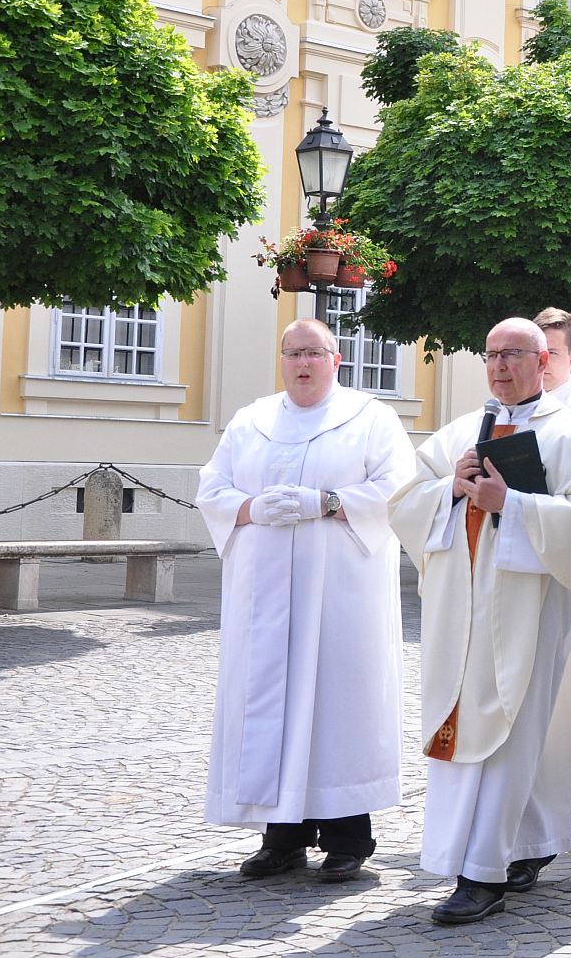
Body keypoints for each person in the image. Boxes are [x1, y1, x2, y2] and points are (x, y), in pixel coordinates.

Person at [390, 318, 571, 925]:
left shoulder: (569, 436)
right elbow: (405, 505)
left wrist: (511, 505)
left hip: (531, 609)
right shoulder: (456, 435)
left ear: (543, 359)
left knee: (515, 731)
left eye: (514, 355)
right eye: (492, 356)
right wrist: (451, 488)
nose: (499, 367)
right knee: (467, 727)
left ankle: (484, 873)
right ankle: (508, 849)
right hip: (460, 610)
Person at [196, 318, 417, 882]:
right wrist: (250, 510)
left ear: (335, 359)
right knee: (274, 702)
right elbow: (213, 489)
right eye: (292, 353)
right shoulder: (252, 421)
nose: (302, 364)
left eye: (313, 353)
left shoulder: (370, 417)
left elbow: (399, 488)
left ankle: (348, 838)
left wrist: (331, 501)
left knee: (336, 704)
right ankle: (282, 837)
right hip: (263, 595)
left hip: (340, 593)